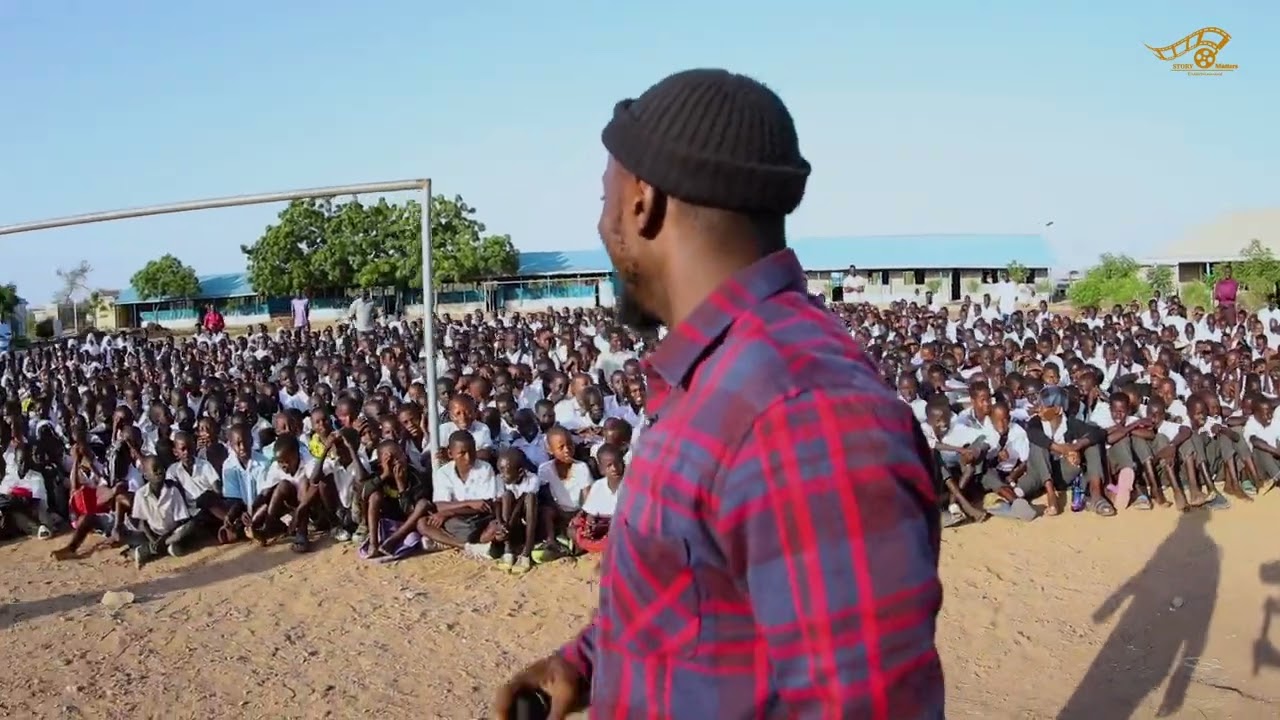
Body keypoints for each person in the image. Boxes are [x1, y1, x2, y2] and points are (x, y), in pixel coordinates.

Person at [494, 68, 942, 720]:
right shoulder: (723, 377)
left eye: (604, 198)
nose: (602, 222)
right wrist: (589, 660)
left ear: (641, 201)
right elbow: (706, 592)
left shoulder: (798, 415)